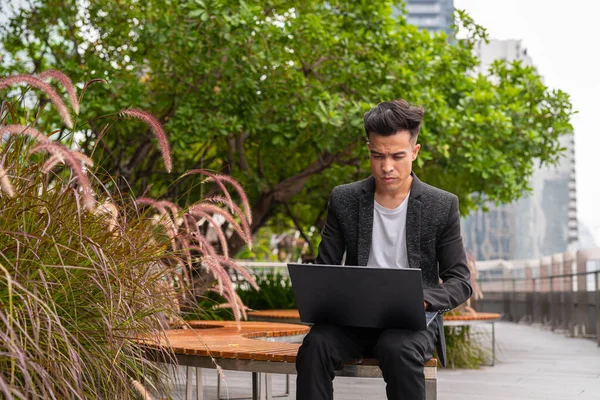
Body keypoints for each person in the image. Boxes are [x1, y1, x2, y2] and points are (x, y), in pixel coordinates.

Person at [295, 99, 473, 400]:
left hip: (411, 324)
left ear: (414, 153)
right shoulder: (344, 200)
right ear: (369, 150)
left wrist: (423, 301)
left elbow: (460, 280)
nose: (386, 166)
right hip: (353, 321)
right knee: (316, 345)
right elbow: (325, 268)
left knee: (397, 348)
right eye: (377, 155)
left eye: (397, 156)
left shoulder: (441, 205)